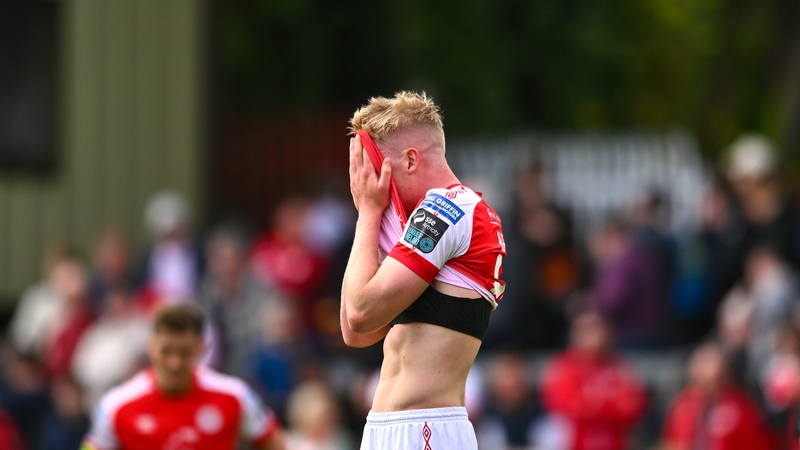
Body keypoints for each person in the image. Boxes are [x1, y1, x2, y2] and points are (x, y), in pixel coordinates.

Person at [340, 91, 506, 449]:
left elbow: (359, 313)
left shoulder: (450, 207)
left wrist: (369, 213)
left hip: (425, 429)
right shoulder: (431, 218)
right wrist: (368, 214)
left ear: (411, 160)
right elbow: (355, 334)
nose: (376, 188)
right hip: (390, 428)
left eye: (381, 172)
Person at [80, 304, 285, 450]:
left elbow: (274, 443)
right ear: (151, 347)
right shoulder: (115, 406)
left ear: (201, 348)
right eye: (166, 352)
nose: (174, 363)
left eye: (185, 352)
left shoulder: (235, 395)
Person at [540, 311, 647, 450]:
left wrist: (593, 404)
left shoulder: (620, 366)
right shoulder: (564, 366)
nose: (593, 334)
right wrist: (610, 404)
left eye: (597, 327)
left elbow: (634, 406)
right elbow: (563, 405)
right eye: (586, 329)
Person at [661, 342, 769, 450]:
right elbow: (670, 442)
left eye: (707, 363)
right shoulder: (682, 405)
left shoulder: (741, 408)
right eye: (699, 363)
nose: (701, 369)